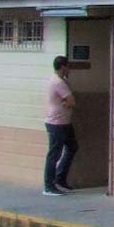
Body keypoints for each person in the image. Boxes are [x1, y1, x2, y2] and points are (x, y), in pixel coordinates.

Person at [43, 55, 78, 196]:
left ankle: (60, 178)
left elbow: (69, 100)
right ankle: (48, 186)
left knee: (72, 147)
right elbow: (71, 101)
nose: (69, 69)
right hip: (56, 122)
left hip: (64, 122)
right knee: (54, 154)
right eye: (68, 66)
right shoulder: (58, 82)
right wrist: (67, 103)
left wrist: (67, 102)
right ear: (63, 67)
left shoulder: (62, 81)